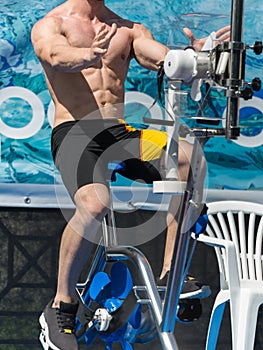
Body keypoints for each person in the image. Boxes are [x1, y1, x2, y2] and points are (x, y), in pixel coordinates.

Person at [31, 1, 230, 349]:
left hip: (117, 133)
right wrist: (87, 55)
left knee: (189, 157)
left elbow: (161, 58)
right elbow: (55, 56)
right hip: (75, 132)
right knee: (96, 203)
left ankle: (172, 275)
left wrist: (194, 59)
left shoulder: (126, 27)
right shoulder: (53, 24)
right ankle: (61, 307)